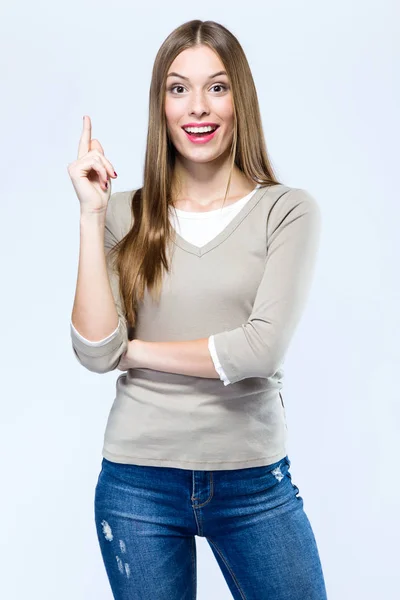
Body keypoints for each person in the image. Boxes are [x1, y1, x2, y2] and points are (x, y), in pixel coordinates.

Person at [68, 19, 328, 600]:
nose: (197, 107)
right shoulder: (121, 214)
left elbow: (259, 349)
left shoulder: (286, 212)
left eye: (217, 86)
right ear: (161, 105)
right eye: (178, 88)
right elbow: (92, 350)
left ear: (241, 97)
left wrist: (130, 352)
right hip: (137, 483)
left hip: (254, 482)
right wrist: (90, 215)